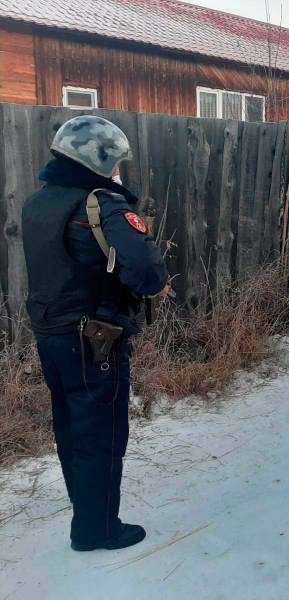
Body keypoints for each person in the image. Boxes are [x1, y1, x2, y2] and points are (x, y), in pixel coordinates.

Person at [22, 115, 170, 552]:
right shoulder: (102, 205)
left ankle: (86, 511)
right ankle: (98, 529)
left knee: (71, 427)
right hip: (95, 338)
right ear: (98, 159)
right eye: (115, 161)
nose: (118, 169)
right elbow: (144, 267)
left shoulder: (39, 202)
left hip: (51, 334)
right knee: (101, 433)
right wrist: (157, 285)